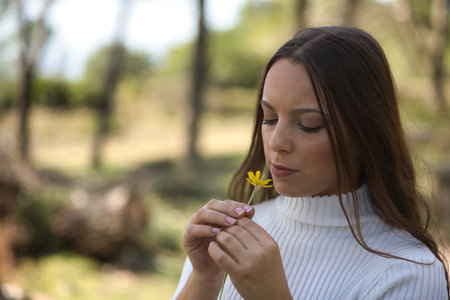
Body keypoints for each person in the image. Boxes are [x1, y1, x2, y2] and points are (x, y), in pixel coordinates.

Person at [172, 26, 449, 299]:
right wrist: (204, 277)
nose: (276, 142)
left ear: (366, 133)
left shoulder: (410, 271)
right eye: (269, 118)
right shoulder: (234, 235)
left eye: (308, 124)